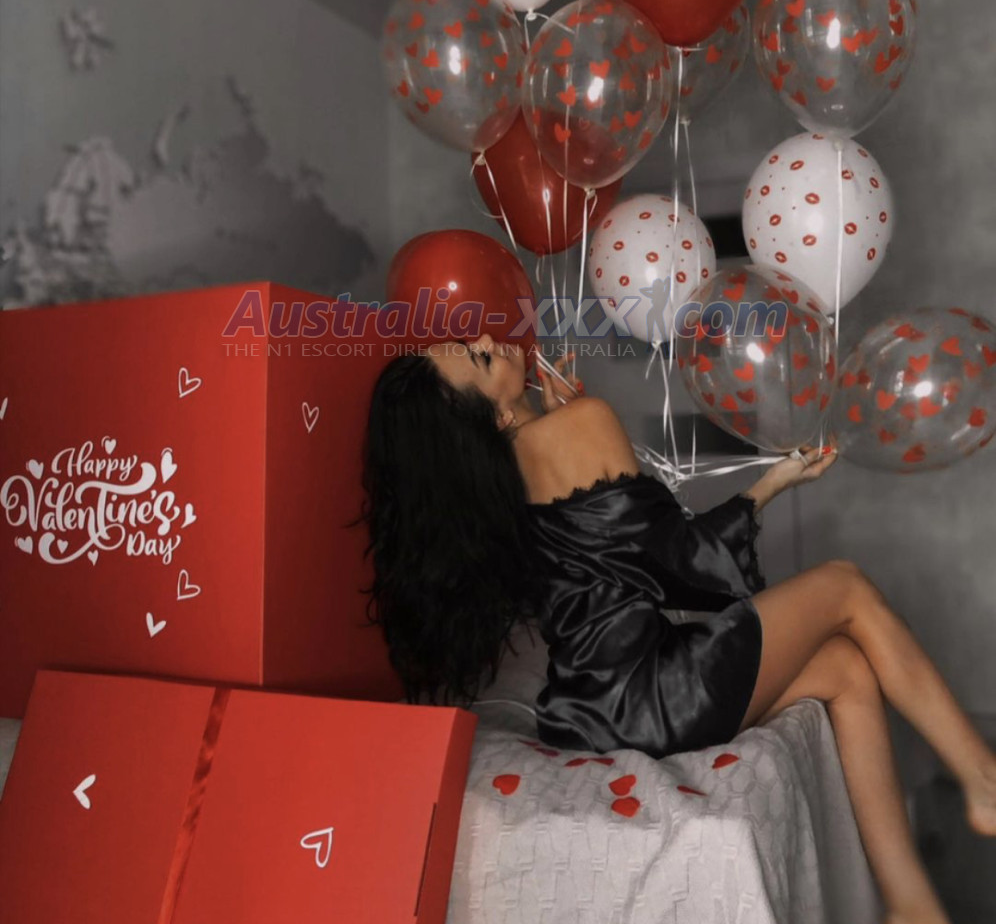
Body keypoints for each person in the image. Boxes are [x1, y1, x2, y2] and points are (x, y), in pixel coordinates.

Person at [359, 333, 996, 924]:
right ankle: (984, 780)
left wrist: (564, 420)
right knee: (846, 586)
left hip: (589, 708)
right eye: (479, 359)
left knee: (846, 667)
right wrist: (769, 486)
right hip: (649, 697)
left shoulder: (498, 488)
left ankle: (910, 905)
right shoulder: (580, 422)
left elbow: (617, 563)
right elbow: (679, 568)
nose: (486, 339)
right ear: (494, 418)